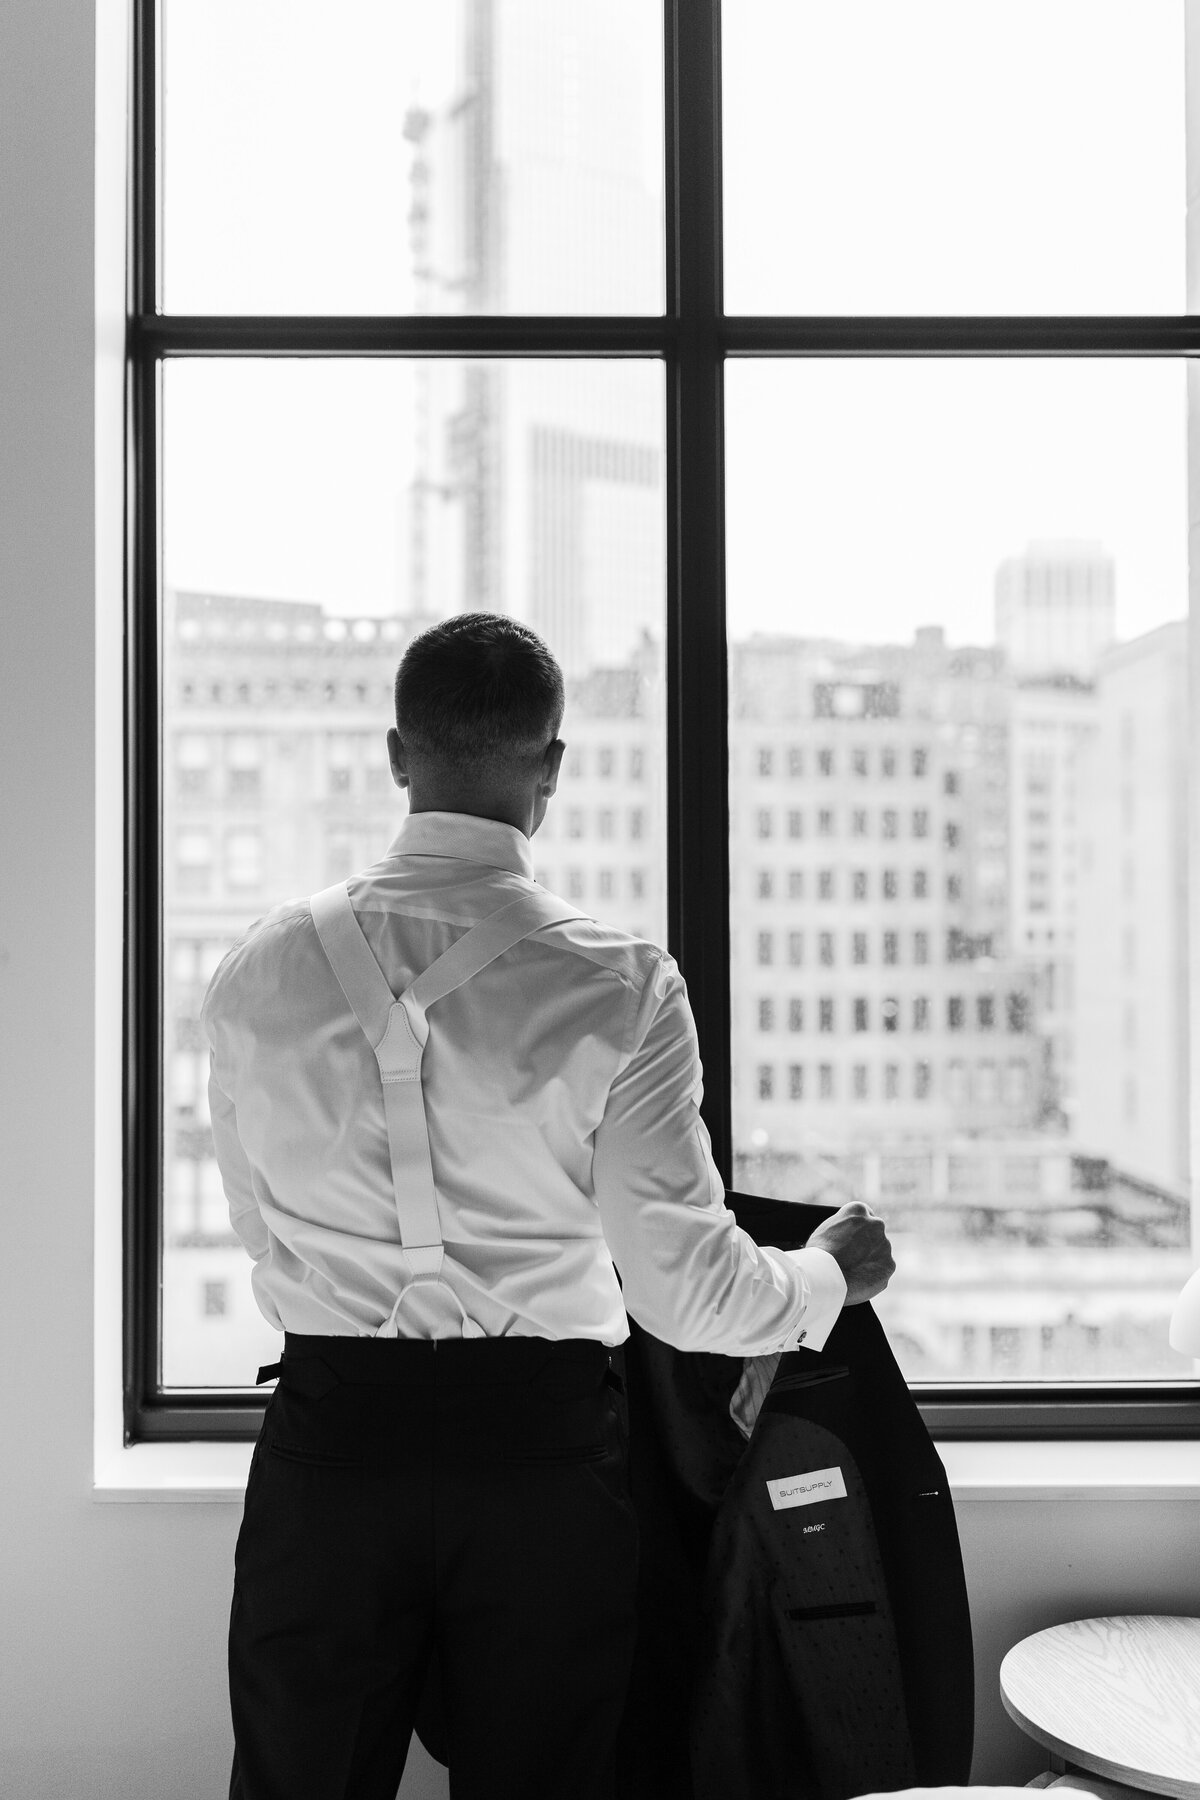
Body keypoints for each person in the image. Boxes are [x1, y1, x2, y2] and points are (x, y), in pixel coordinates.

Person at [201, 611, 895, 1800]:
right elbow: (686, 1291)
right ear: (553, 769)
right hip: (540, 1466)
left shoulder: (257, 970)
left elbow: (256, 1225)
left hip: (332, 1452)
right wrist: (830, 1272)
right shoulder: (619, 982)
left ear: (395, 754)